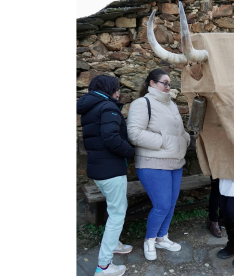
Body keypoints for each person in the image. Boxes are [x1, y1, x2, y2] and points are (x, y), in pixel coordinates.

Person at [126, 69, 190, 261]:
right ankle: (150, 240)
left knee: (170, 205)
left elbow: (180, 131)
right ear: (152, 84)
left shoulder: (171, 105)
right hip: (152, 163)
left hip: (175, 162)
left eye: (170, 83)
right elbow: (135, 134)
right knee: (161, 205)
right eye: (165, 82)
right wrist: (166, 141)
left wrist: (184, 139)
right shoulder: (142, 103)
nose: (168, 87)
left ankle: (162, 238)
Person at [77, 75, 135, 276]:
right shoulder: (108, 107)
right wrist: (131, 151)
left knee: (113, 208)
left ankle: (115, 242)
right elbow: (111, 138)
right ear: (109, 89)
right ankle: (104, 266)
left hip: (99, 170)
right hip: (111, 170)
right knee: (118, 213)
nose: (118, 93)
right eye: (116, 89)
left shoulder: (90, 109)